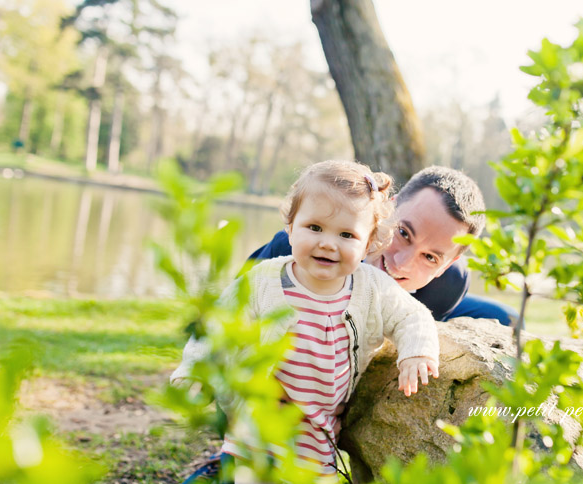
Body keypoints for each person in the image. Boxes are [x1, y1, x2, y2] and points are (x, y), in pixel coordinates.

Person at [172, 161, 440, 481]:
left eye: (346, 234)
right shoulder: (264, 280)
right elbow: (217, 325)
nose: (327, 243)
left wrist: (417, 352)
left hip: (317, 443)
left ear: (368, 244)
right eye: (314, 228)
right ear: (290, 226)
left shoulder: (371, 287)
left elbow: (412, 315)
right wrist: (194, 371)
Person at [249, 165, 518, 326]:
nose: (401, 263)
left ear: (445, 266)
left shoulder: (448, 285)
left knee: (506, 317)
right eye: (403, 232)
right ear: (388, 206)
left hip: (410, 299)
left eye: (430, 258)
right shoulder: (292, 251)